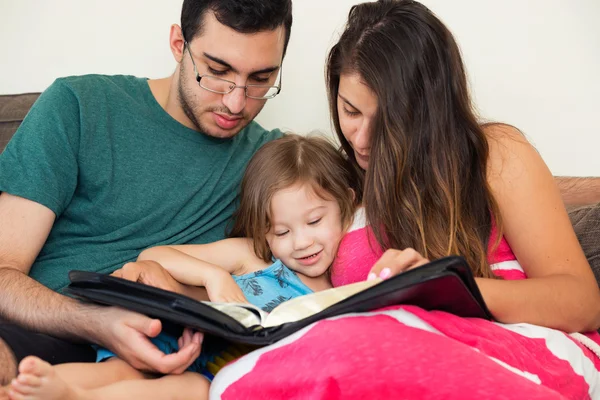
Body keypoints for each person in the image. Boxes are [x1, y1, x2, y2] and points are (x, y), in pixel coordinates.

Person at [206, 1, 600, 398]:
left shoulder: (494, 154)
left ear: (429, 113)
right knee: (241, 377)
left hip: (518, 353)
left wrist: (442, 284)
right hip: (378, 365)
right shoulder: (336, 191)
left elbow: (581, 301)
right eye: (350, 111)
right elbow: (267, 267)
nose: (360, 141)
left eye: (386, 123)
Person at [0, 0, 293, 385]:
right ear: (178, 44)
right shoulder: (79, 105)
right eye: (217, 72)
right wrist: (96, 324)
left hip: (160, 361)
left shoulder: (273, 163)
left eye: (260, 79)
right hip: (45, 327)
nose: (236, 102)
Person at [1, 134, 358, 400]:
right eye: (281, 230)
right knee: (125, 369)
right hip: (174, 340)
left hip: (214, 376)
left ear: (348, 205)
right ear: (265, 230)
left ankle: (76, 398)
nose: (301, 242)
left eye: (314, 221)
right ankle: (45, 389)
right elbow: (155, 255)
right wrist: (213, 276)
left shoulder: (343, 293)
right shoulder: (256, 255)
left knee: (193, 390)